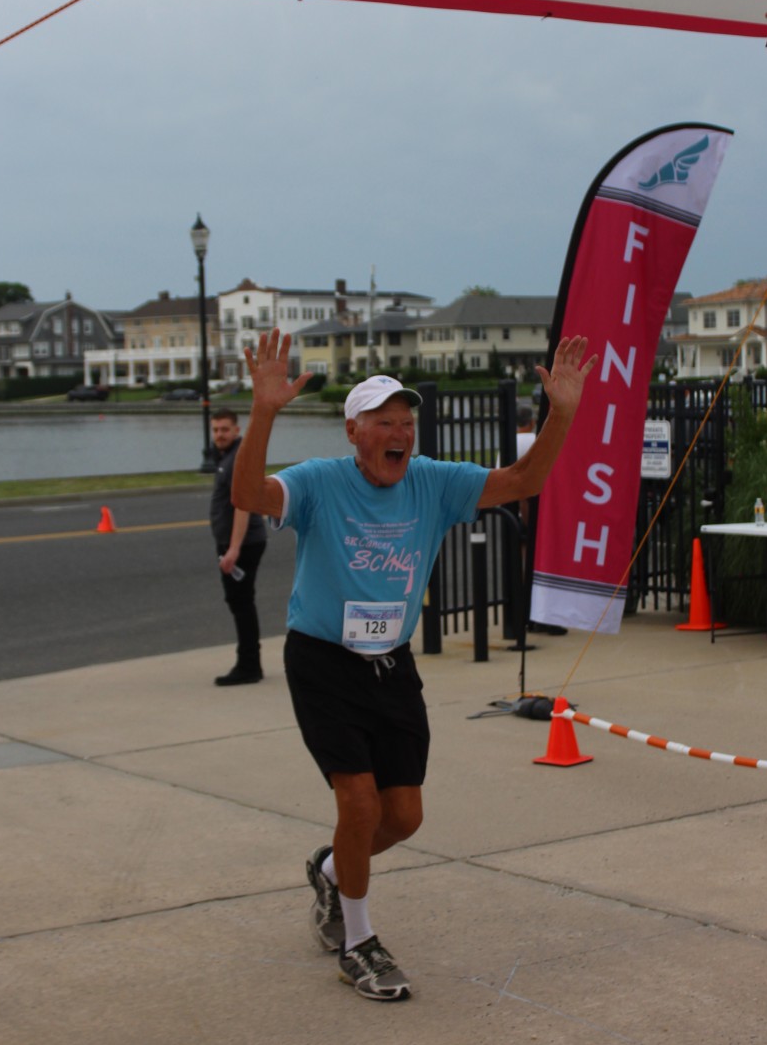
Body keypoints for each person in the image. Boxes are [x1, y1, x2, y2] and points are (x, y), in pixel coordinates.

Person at [232, 331, 596, 1001]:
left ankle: (332, 873)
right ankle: (359, 942)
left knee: (402, 818)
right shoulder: (320, 482)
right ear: (353, 431)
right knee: (358, 802)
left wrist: (562, 413)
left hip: (391, 664)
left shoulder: (432, 481)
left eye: (406, 422)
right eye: (384, 422)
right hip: (323, 660)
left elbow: (524, 481)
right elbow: (249, 493)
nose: (399, 433)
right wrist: (263, 411)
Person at [210, 406, 266, 686]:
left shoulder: (237, 459)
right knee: (239, 602)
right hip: (236, 543)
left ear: (236, 430)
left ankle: (248, 665)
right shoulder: (227, 456)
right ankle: (249, 662)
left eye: (224, 429)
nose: (219, 434)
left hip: (243, 544)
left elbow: (242, 505)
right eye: (215, 430)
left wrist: (233, 549)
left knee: (242, 603)